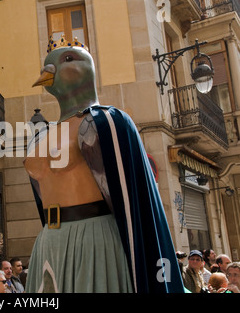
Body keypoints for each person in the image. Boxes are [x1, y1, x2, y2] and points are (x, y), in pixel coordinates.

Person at [25, 35, 184, 293]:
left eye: (65, 60)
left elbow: (136, 202)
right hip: (48, 241)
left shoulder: (108, 121)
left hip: (95, 238)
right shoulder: (41, 135)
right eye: (48, 64)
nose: (49, 69)